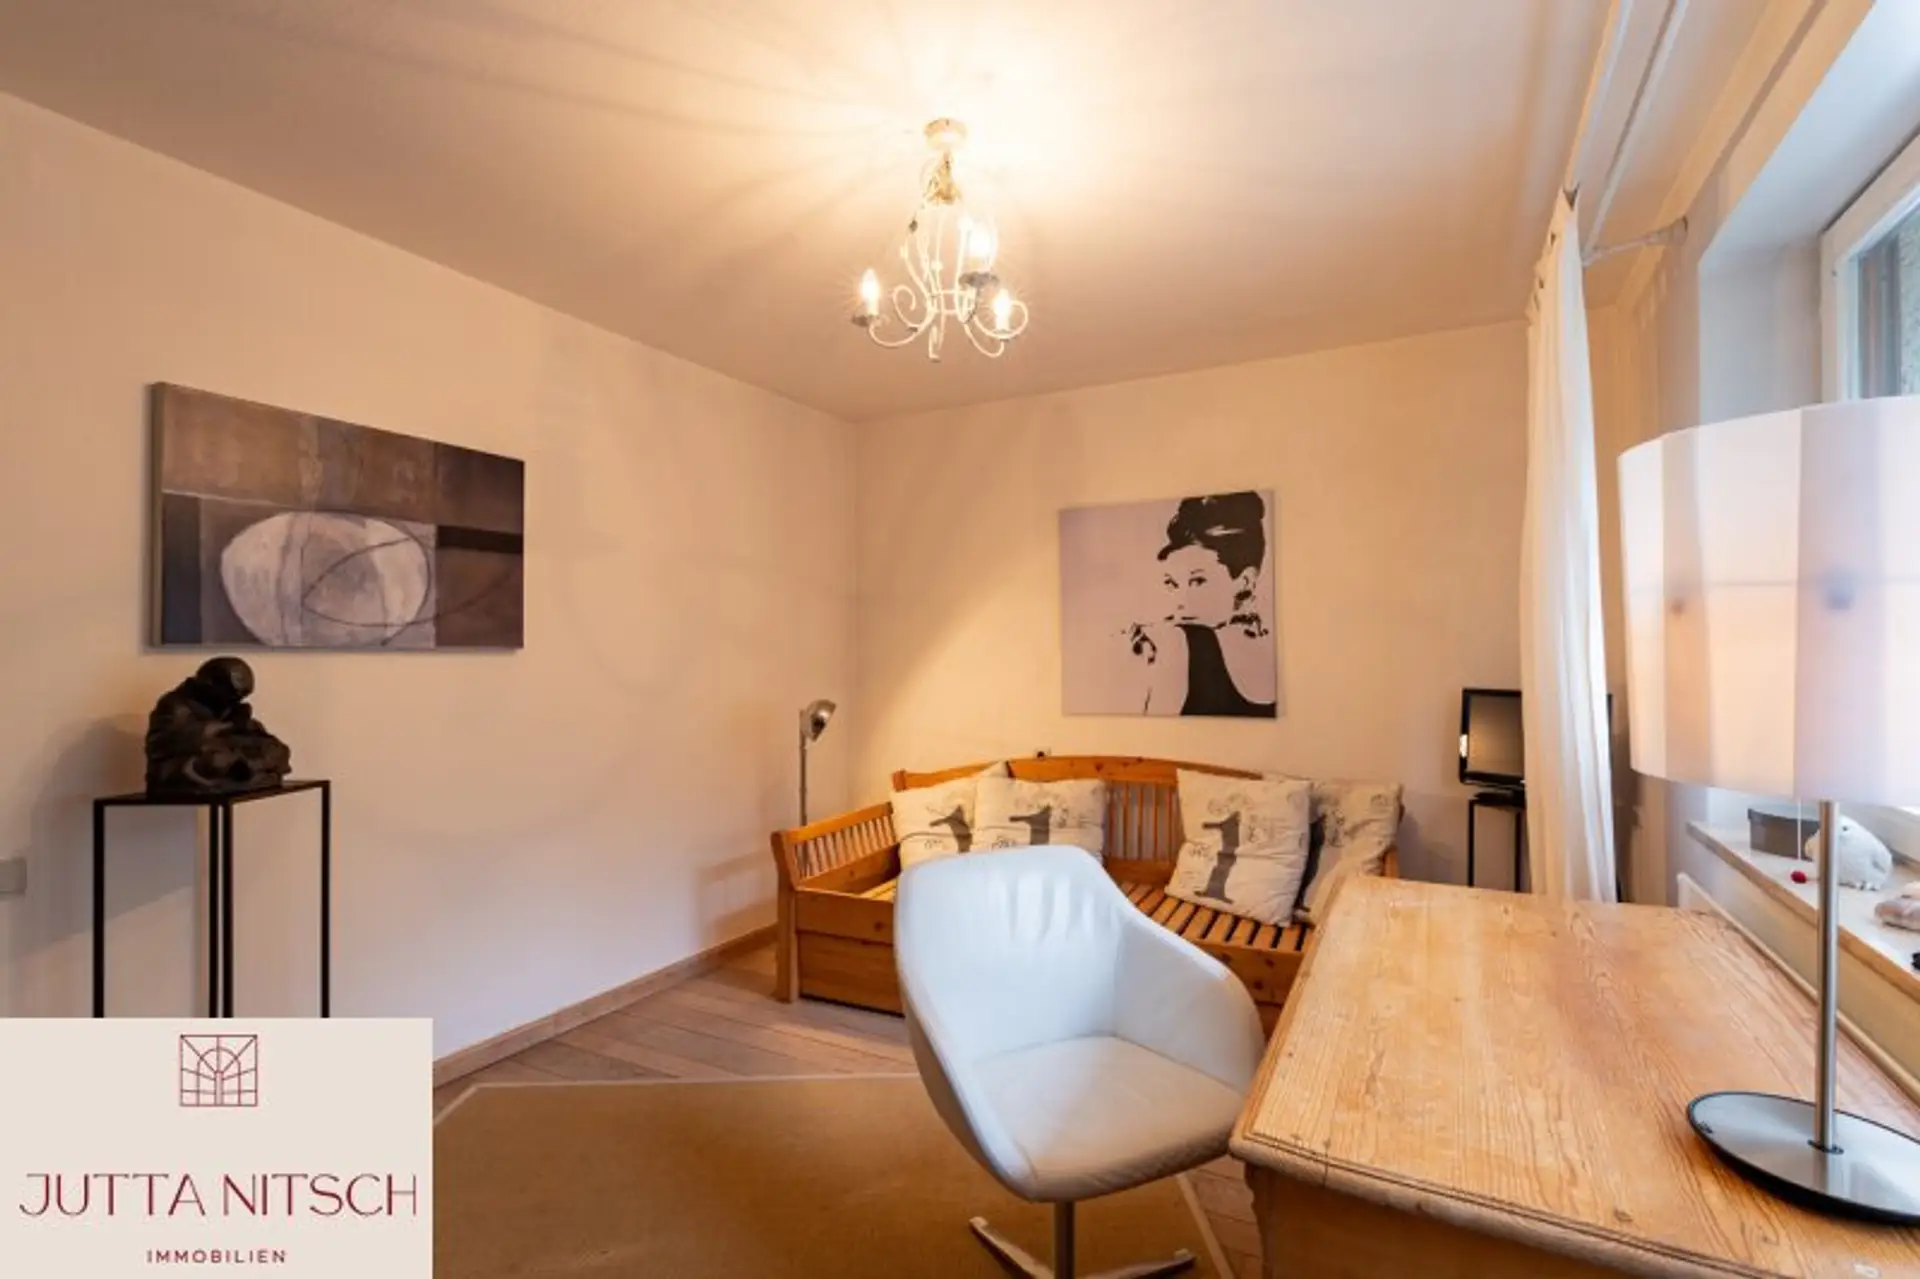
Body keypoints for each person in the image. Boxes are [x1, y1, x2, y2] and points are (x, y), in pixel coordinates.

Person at [1126, 492, 1276, 717]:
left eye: (1198, 581)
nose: (1180, 602)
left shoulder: (1176, 643)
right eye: (1171, 584)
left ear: (1245, 582)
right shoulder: (1168, 643)